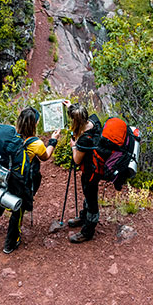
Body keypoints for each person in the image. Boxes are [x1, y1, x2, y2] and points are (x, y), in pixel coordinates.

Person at [0, 107, 60, 254]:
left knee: (1, 200)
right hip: (20, 180)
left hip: (4, 175)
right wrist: (53, 140)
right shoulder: (36, 144)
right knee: (18, 208)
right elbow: (45, 156)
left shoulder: (11, 134)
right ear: (34, 124)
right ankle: (10, 242)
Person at [64, 100, 102, 243]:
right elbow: (81, 117)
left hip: (91, 171)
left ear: (76, 121)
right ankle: (84, 216)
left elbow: (77, 160)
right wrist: (71, 107)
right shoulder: (94, 121)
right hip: (94, 167)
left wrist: (74, 146)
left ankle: (88, 230)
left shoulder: (84, 140)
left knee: (91, 197)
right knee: (88, 193)